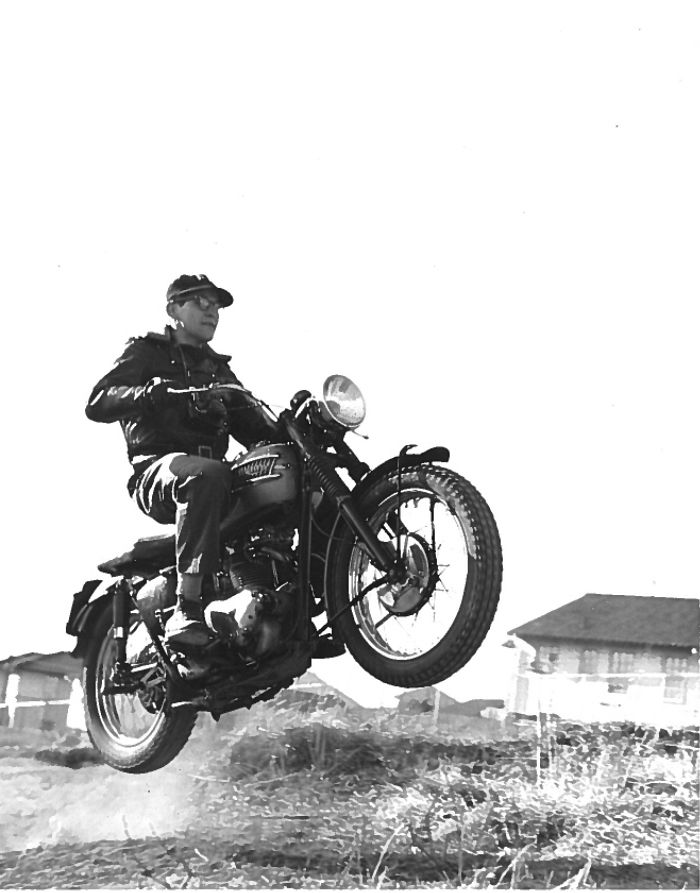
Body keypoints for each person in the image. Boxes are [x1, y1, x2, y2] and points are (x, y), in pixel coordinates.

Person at [85, 274, 281, 647]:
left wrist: (297, 424)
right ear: (174, 309)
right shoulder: (147, 351)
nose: (211, 311)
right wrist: (148, 394)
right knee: (205, 475)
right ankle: (185, 608)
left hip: (217, 476)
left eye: (216, 305)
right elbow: (98, 401)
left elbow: (256, 425)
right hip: (159, 470)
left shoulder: (219, 369)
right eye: (199, 302)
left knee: (288, 471)